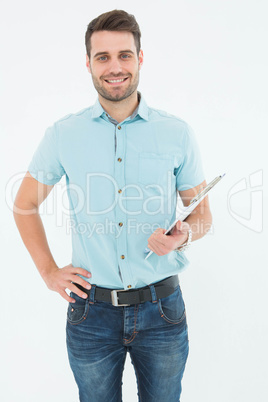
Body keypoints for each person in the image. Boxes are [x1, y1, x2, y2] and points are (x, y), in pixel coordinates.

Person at [13, 9, 212, 402]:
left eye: (124, 55)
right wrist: (49, 271)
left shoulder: (176, 133)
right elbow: (24, 206)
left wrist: (183, 234)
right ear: (88, 63)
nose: (114, 67)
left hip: (162, 310)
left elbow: (202, 214)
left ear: (140, 58)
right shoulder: (63, 134)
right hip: (91, 314)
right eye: (103, 57)